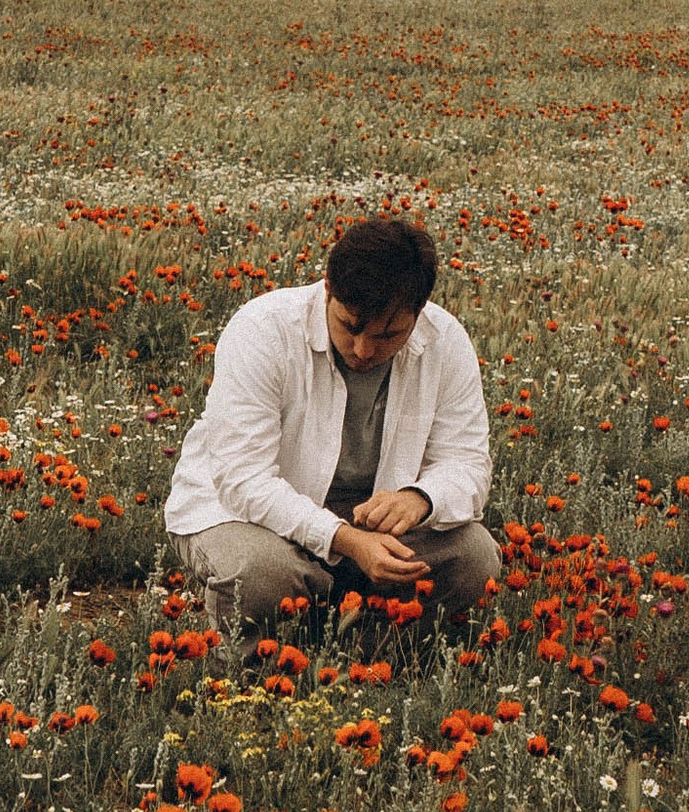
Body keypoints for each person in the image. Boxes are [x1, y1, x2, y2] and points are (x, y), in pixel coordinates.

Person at [166, 214, 499, 635]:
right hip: (242, 514)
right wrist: (347, 540)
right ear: (328, 289)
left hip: (369, 523)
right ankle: (258, 666)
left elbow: (467, 462)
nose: (362, 349)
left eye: (387, 335)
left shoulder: (444, 341)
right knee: (263, 574)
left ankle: (375, 657)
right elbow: (243, 481)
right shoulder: (263, 330)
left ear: (418, 312)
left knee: (473, 557)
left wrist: (421, 498)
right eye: (350, 326)